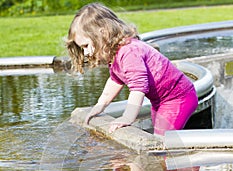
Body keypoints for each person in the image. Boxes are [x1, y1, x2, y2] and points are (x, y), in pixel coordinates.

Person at [66, 2, 198, 136]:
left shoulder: (129, 51)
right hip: (159, 100)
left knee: (162, 140)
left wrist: (127, 117)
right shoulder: (115, 54)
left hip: (178, 97)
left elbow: (138, 88)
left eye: (86, 45)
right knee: (158, 135)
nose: (86, 53)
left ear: (103, 33)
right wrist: (100, 105)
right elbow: (115, 80)